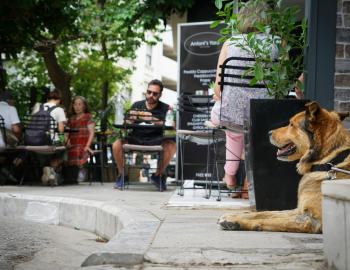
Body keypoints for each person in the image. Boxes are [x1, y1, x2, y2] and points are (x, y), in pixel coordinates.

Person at [210, 1, 277, 198]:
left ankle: (230, 174)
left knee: (234, 128)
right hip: (264, 114)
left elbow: (218, 88)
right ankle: (249, 184)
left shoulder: (230, 43)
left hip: (232, 115)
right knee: (252, 132)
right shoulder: (277, 42)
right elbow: (283, 82)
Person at [112, 79, 176, 191]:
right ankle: (122, 175)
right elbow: (125, 125)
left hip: (155, 139)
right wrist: (129, 120)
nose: (151, 95)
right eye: (149, 92)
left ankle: (157, 175)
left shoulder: (166, 108)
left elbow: (173, 126)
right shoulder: (137, 105)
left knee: (171, 145)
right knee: (116, 144)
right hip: (135, 138)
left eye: (155, 94)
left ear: (160, 95)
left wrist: (152, 118)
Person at [31, 89, 67, 185]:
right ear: (59, 99)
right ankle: (51, 170)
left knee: (44, 152)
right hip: (50, 142)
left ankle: (46, 168)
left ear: (48, 99)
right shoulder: (59, 110)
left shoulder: (37, 107)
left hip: (34, 141)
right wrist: (63, 141)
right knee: (64, 149)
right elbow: (60, 130)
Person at [65, 96, 95, 183]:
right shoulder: (71, 119)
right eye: (75, 104)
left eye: (80, 104)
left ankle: (81, 170)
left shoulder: (88, 117)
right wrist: (67, 140)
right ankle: (68, 175)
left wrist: (87, 146)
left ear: (84, 106)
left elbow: (92, 133)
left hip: (84, 145)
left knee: (78, 149)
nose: (77, 107)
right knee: (63, 151)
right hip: (72, 144)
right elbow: (66, 133)